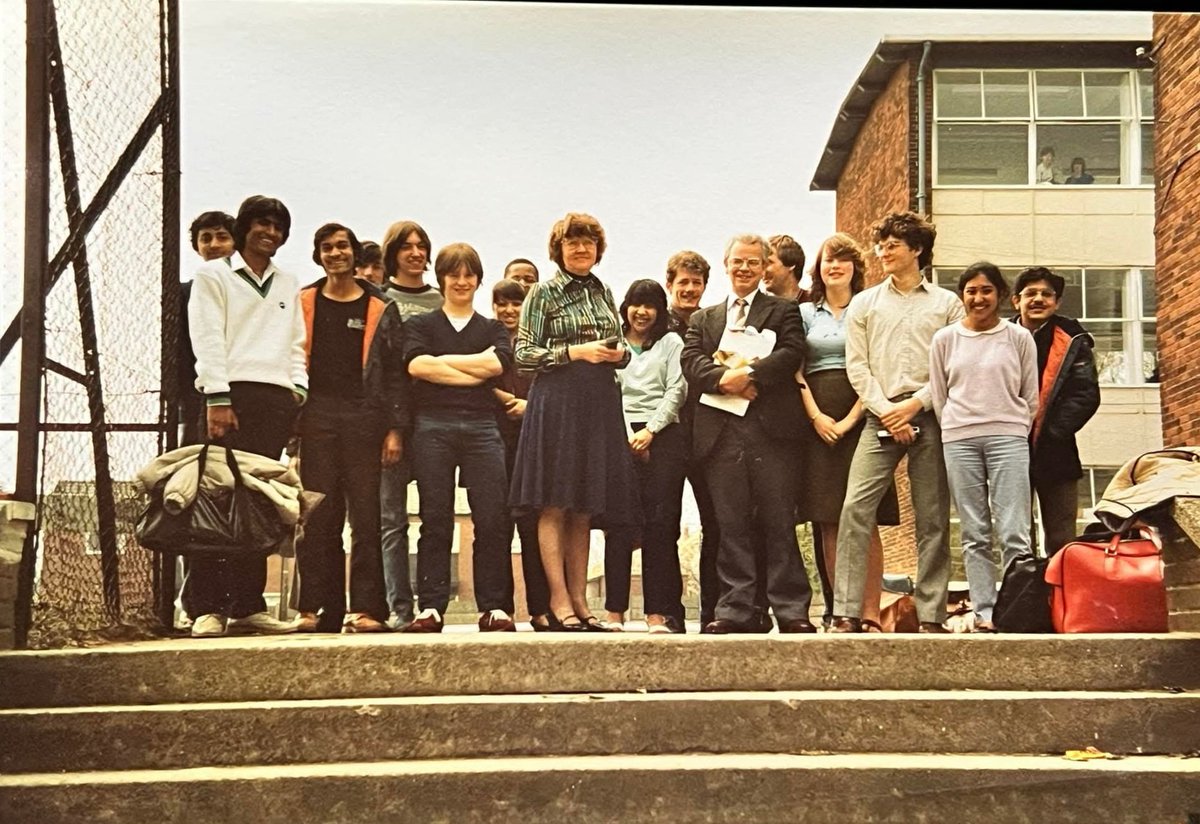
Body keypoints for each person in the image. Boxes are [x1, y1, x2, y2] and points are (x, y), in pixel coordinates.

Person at [830, 211, 964, 635]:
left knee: (932, 518)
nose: (884, 252)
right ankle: (847, 612)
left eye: (893, 245)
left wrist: (915, 406)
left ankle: (931, 616)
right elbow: (857, 366)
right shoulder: (865, 304)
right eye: (881, 244)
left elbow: (952, 367)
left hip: (930, 417)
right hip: (878, 416)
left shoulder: (947, 304)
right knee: (855, 509)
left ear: (917, 250)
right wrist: (887, 409)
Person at [510, 211, 640, 632]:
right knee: (555, 502)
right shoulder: (543, 294)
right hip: (557, 402)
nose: (581, 248)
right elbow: (524, 355)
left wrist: (619, 355)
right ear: (559, 250)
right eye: (573, 242)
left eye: (588, 242)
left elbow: (623, 345)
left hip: (598, 402)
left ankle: (582, 601)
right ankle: (559, 599)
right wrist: (574, 353)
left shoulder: (603, 290)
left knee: (584, 506)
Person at [681, 233, 815, 635]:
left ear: (763, 268)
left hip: (770, 434)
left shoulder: (783, 311)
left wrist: (752, 376)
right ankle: (736, 608)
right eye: (737, 261)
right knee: (731, 525)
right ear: (726, 265)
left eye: (753, 263)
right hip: (721, 436)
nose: (744, 269)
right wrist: (726, 380)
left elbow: (792, 351)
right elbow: (691, 362)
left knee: (778, 522)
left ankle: (791, 609)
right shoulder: (704, 319)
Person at [185, 194, 307, 638]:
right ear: (244, 228)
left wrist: (297, 390)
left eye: (276, 225)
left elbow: (295, 341)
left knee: (258, 505)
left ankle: (248, 605)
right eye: (260, 223)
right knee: (217, 502)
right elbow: (207, 337)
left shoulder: (287, 281)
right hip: (229, 396)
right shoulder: (212, 274)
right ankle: (208, 607)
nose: (268, 232)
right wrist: (217, 396)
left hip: (274, 399)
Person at [293, 223, 405, 634]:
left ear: (354, 254)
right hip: (316, 418)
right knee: (318, 516)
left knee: (366, 517)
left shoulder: (380, 307)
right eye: (327, 247)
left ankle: (367, 609)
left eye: (342, 246)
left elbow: (395, 375)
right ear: (317, 254)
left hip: (365, 421)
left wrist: (395, 429)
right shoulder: (304, 300)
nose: (335, 253)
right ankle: (316, 608)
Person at [403, 242, 515, 633]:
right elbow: (416, 366)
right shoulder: (420, 325)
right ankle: (431, 607)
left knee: (492, 518)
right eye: (455, 274)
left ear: (479, 280)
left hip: (483, 427)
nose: (462, 281)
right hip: (432, 425)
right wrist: (474, 371)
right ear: (442, 278)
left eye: (469, 275)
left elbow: (498, 363)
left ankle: (494, 607)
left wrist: (442, 362)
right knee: (435, 518)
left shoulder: (493, 328)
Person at [796, 232, 899, 632]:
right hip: (818, 421)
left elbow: (876, 366)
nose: (834, 265)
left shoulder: (871, 308)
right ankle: (844, 612)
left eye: (842, 259)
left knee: (863, 515)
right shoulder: (805, 313)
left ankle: (870, 612)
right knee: (828, 518)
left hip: (863, 416)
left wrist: (851, 418)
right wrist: (817, 417)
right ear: (818, 269)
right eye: (827, 260)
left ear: (855, 266)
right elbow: (797, 369)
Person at [930, 262, 1039, 631]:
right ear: (963, 296)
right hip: (960, 439)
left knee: (1013, 529)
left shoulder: (1018, 337)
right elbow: (940, 394)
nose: (979, 298)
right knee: (974, 531)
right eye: (971, 291)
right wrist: (956, 426)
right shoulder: (945, 339)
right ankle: (984, 611)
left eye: (986, 290)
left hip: (1008, 437)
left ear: (1001, 296)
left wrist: (1013, 425)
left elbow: (1030, 395)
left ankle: (1016, 608)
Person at [603, 279, 688, 634]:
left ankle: (657, 613)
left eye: (650, 305)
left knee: (659, 525)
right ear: (626, 307)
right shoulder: (614, 346)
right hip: (618, 434)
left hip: (664, 434)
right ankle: (614, 612)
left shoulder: (671, 343)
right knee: (619, 525)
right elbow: (612, 390)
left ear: (660, 311)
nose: (642, 312)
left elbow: (677, 389)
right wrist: (627, 436)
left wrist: (650, 431)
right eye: (636, 304)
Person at [378, 219, 443, 630]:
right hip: (392, 423)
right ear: (393, 253)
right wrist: (392, 425)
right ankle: (399, 608)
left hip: (436, 420)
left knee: (435, 517)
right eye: (407, 246)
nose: (416, 253)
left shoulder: (441, 300)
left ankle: (430, 607)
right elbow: (382, 372)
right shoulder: (380, 299)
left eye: (422, 245)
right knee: (392, 520)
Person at [1010, 266, 1100, 558]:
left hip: (1057, 452)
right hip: (1009, 451)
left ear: (1057, 302)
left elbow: (1086, 394)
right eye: (1030, 293)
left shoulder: (1073, 337)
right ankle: (1024, 601)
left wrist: (1051, 431)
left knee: (1062, 538)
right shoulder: (999, 336)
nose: (1038, 299)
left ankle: (1062, 601)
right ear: (1016, 301)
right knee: (1016, 536)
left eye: (1047, 294)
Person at [491, 278, 551, 631]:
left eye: (516, 303)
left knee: (532, 527)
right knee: (496, 526)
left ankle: (540, 609)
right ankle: (501, 609)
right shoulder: (486, 337)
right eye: (503, 303)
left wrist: (530, 406)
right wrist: (505, 400)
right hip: (495, 440)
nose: (509, 310)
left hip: (532, 442)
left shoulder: (539, 341)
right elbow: (481, 379)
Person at [180, 211, 236, 447]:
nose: (214, 244)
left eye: (222, 237)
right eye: (206, 238)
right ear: (197, 246)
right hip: (199, 393)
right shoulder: (183, 293)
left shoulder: (249, 288)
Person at [763, 234, 808, 303]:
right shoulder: (757, 307)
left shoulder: (816, 305)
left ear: (791, 264)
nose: (762, 270)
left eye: (769, 262)